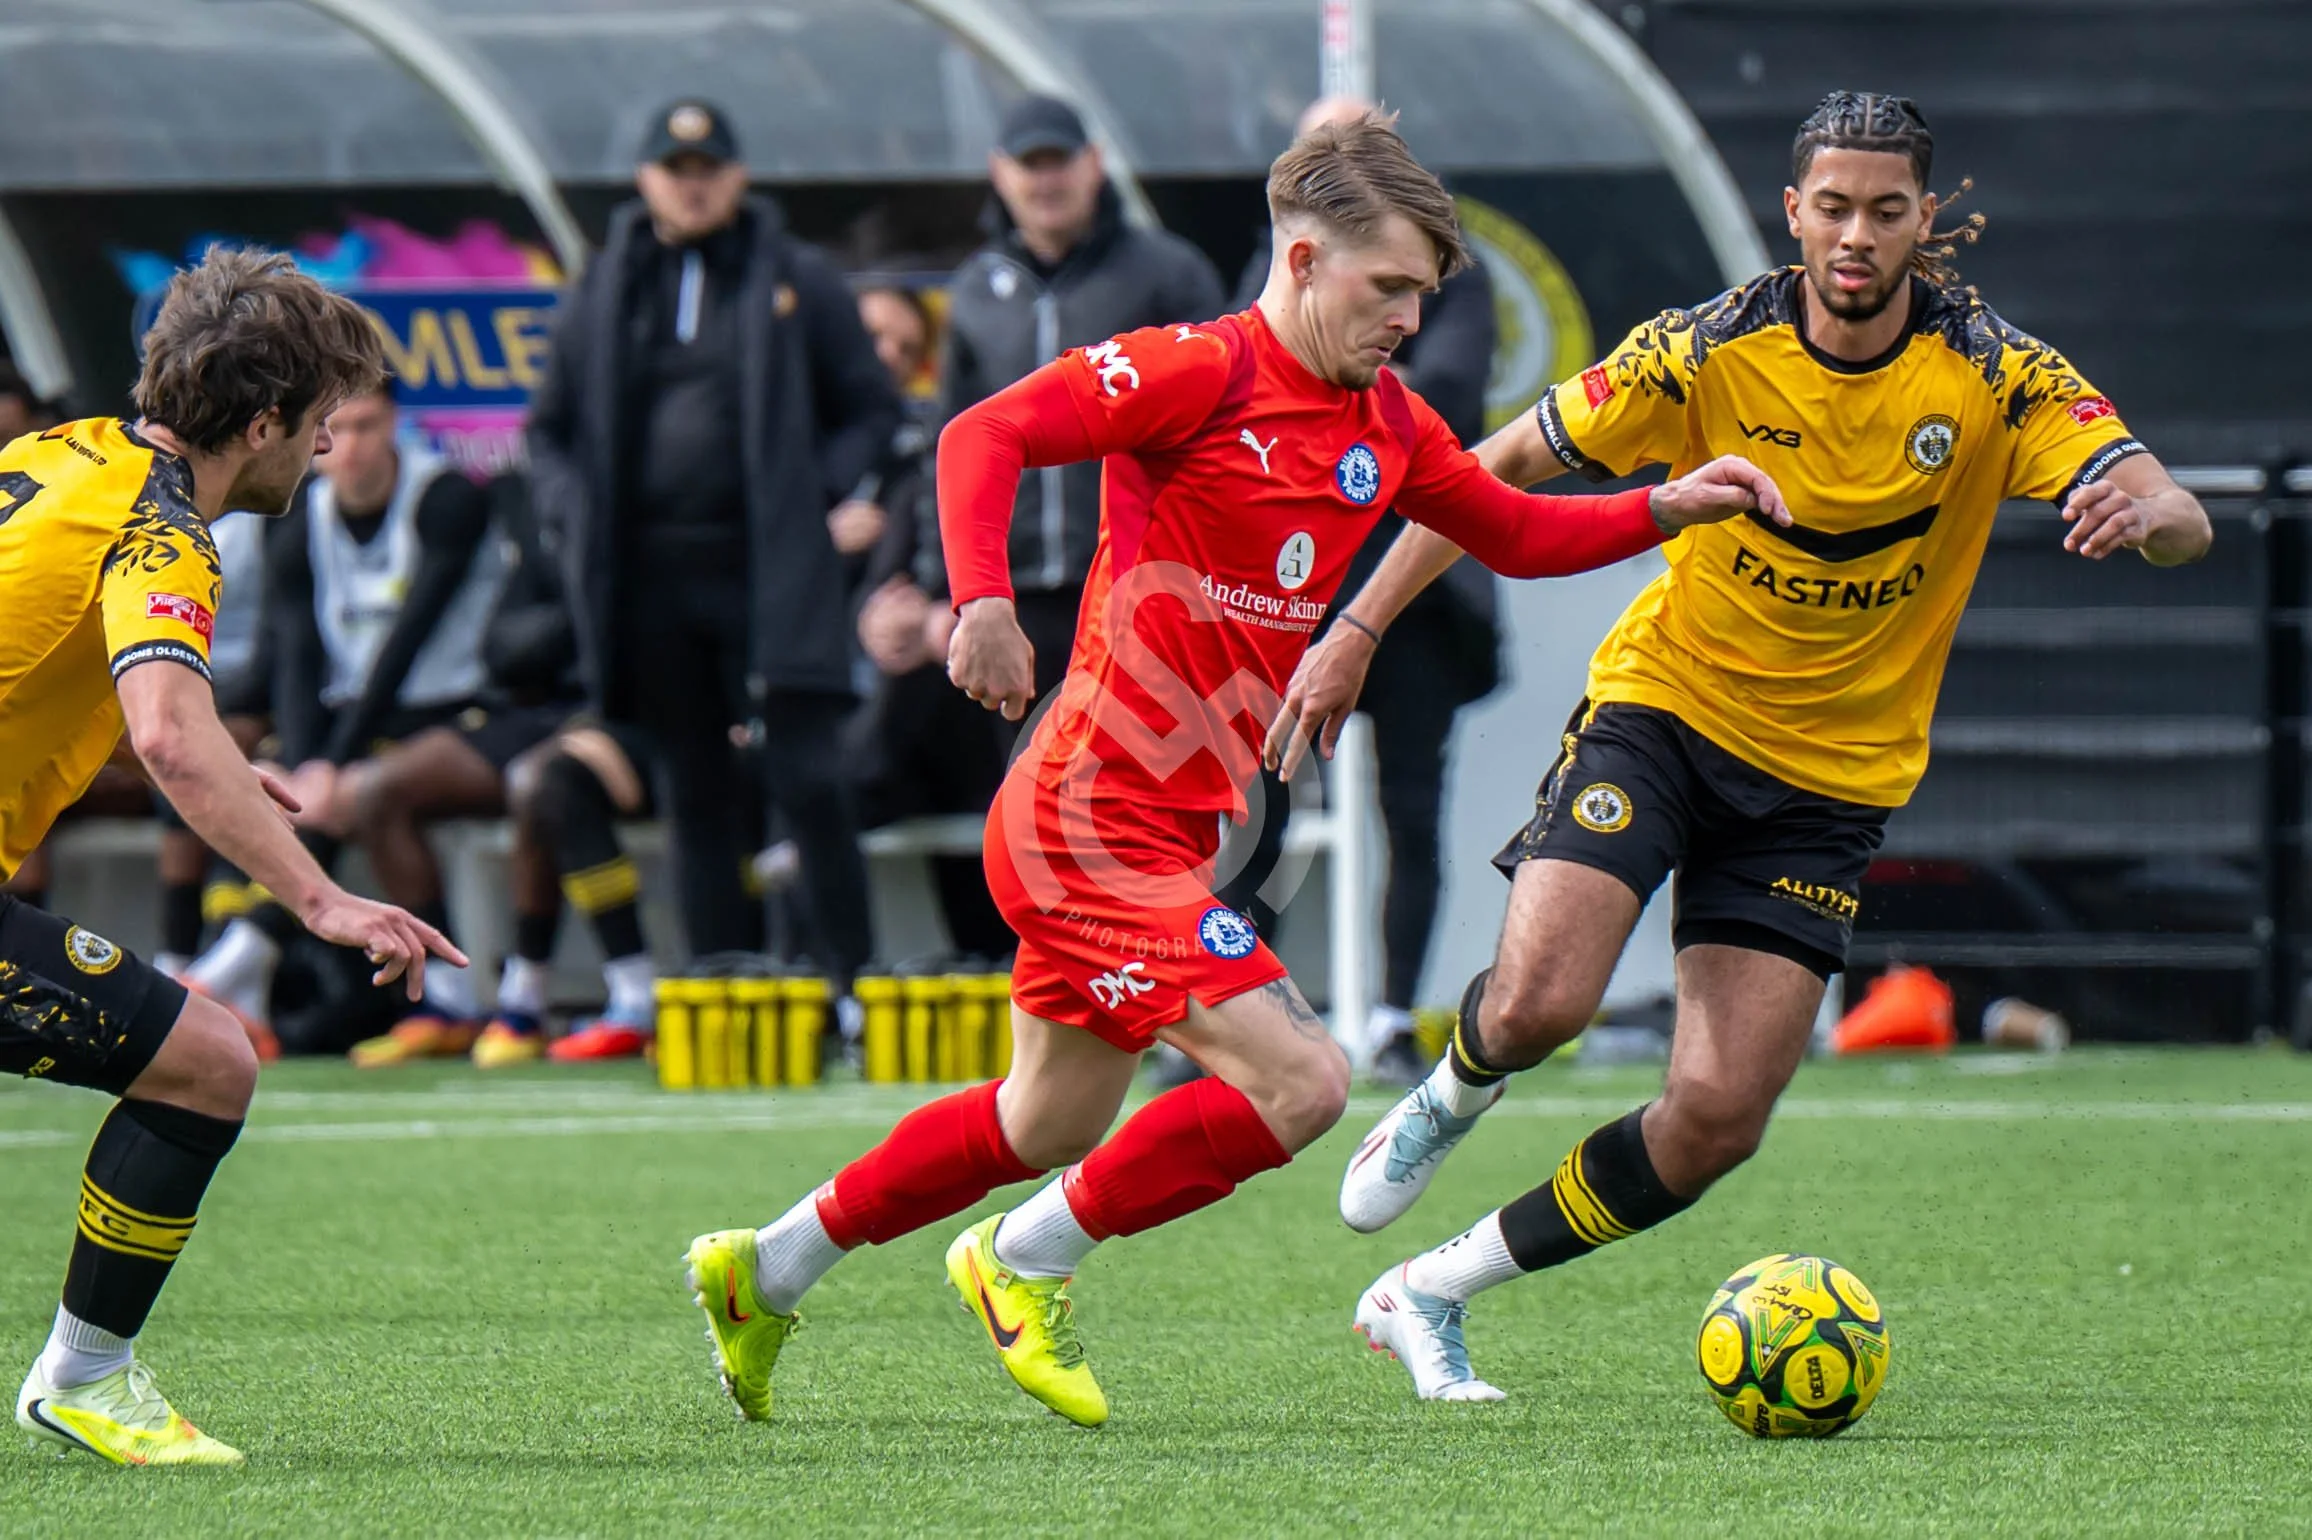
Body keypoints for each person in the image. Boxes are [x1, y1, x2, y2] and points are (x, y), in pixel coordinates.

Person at [679, 110, 1784, 1429]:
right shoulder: (1196, 370)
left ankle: (768, 1269)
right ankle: (1023, 1261)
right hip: (1085, 826)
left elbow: (1518, 533)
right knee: (1304, 1083)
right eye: (1386, 290)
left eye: (1422, 298)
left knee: (1043, 1122)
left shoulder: (1390, 423)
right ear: (1303, 257)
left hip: (1161, 840)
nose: (1407, 322)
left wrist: (1666, 504)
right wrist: (978, 601)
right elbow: (981, 434)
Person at [1276, 92, 2214, 1402]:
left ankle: (1431, 1290)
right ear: (1794, 210)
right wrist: (1359, 626)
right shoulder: (1706, 350)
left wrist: (2156, 510)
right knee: (1543, 1000)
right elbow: (1485, 476)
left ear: (1922, 220)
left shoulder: (1997, 372)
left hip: (1826, 788)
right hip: (1667, 714)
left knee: (1716, 1120)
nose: (1856, 234)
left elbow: (2172, 510)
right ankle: (1456, 1087)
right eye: (1833, 206)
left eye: (1887, 211)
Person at [4, 247, 460, 1465]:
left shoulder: (57, 454)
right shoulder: (166, 530)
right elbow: (165, 730)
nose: (319, 449)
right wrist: (318, 897)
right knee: (207, 1059)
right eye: (313, 423)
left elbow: (75, 673)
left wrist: (193, 744)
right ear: (260, 422)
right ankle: (87, 1377)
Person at [527, 99, 898, 1023]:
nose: (691, 187)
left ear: (736, 178)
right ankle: (731, 989)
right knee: (695, 788)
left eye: (707, 170)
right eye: (673, 170)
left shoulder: (794, 278)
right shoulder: (605, 285)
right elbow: (550, 433)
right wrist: (575, 515)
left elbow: (873, 411)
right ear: (647, 181)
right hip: (653, 578)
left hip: (770, 570)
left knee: (808, 774)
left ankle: (847, 980)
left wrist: (812, 493)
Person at [1217, 95, 1504, 1085]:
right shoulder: (1275, 271)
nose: (1400, 315)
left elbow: (1454, 394)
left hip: (1418, 598)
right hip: (1293, 585)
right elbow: (1249, 386)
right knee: (1264, 800)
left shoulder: (1437, 258)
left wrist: (1342, 378)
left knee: (1408, 804)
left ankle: (1385, 1011)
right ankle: (1229, 1010)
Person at [178, 379, 508, 1053]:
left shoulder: (445, 498)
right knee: (255, 780)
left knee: (363, 793)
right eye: (338, 430)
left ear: (395, 425)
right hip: (354, 720)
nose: (351, 447)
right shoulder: (299, 516)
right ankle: (231, 968)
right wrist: (307, 765)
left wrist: (331, 763)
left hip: (456, 709)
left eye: (368, 427)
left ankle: (439, 998)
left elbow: (405, 643)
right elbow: (295, 652)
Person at [941, 95, 1226, 702]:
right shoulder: (975, 288)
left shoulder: (1168, 271)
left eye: (1060, 161)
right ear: (999, 172)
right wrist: (945, 585)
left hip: (1141, 580)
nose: (1047, 180)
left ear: (1095, 163)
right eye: (1029, 163)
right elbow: (951, 435)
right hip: (1014, 588)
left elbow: (1225, 420)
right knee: (1027, 778)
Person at [848, 283, 1014, 959]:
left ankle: (984, 960)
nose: (887, 357)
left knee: (950, 691)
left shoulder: (930, 444)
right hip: (801, 704)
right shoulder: (790, 434)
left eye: (907, 347)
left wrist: (934, 615)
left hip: (911, 698)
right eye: (874, 337)